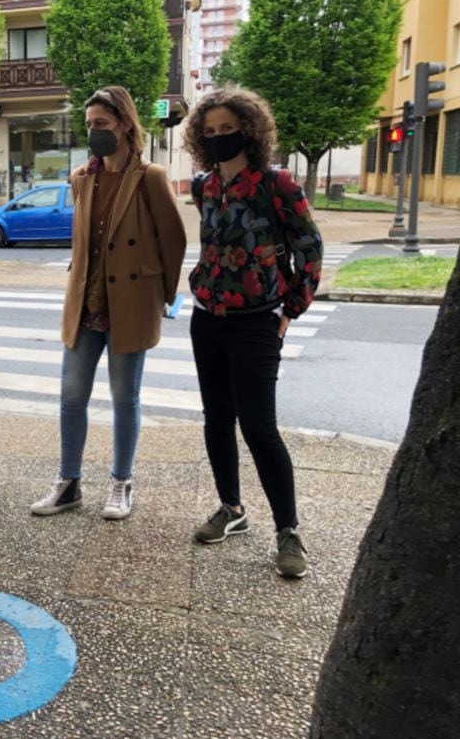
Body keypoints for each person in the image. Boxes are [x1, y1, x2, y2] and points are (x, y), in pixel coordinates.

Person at [182, 86, 324, 579]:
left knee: (259, 426)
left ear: (250, 130)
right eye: (211, 132)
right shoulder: (204, 186)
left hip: (257, 321)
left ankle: (288, 530)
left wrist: (291, 310)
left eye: (229, 129)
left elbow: (309, 244)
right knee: (216, 418)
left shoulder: (275, 182)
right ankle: (231, 509)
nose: (220, 138)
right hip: (208, 319)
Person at [31, 86, 186, 520]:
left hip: (131, 302)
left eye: (102, 123)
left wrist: (162, 297)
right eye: (89, 125)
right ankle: (69, 483)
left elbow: (173, 241)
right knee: (71, 396)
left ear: (124, 123)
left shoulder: (150, 176)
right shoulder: (82, 178)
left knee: (124, 397)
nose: (94, 131)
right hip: (86, 302)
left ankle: (121, 482)